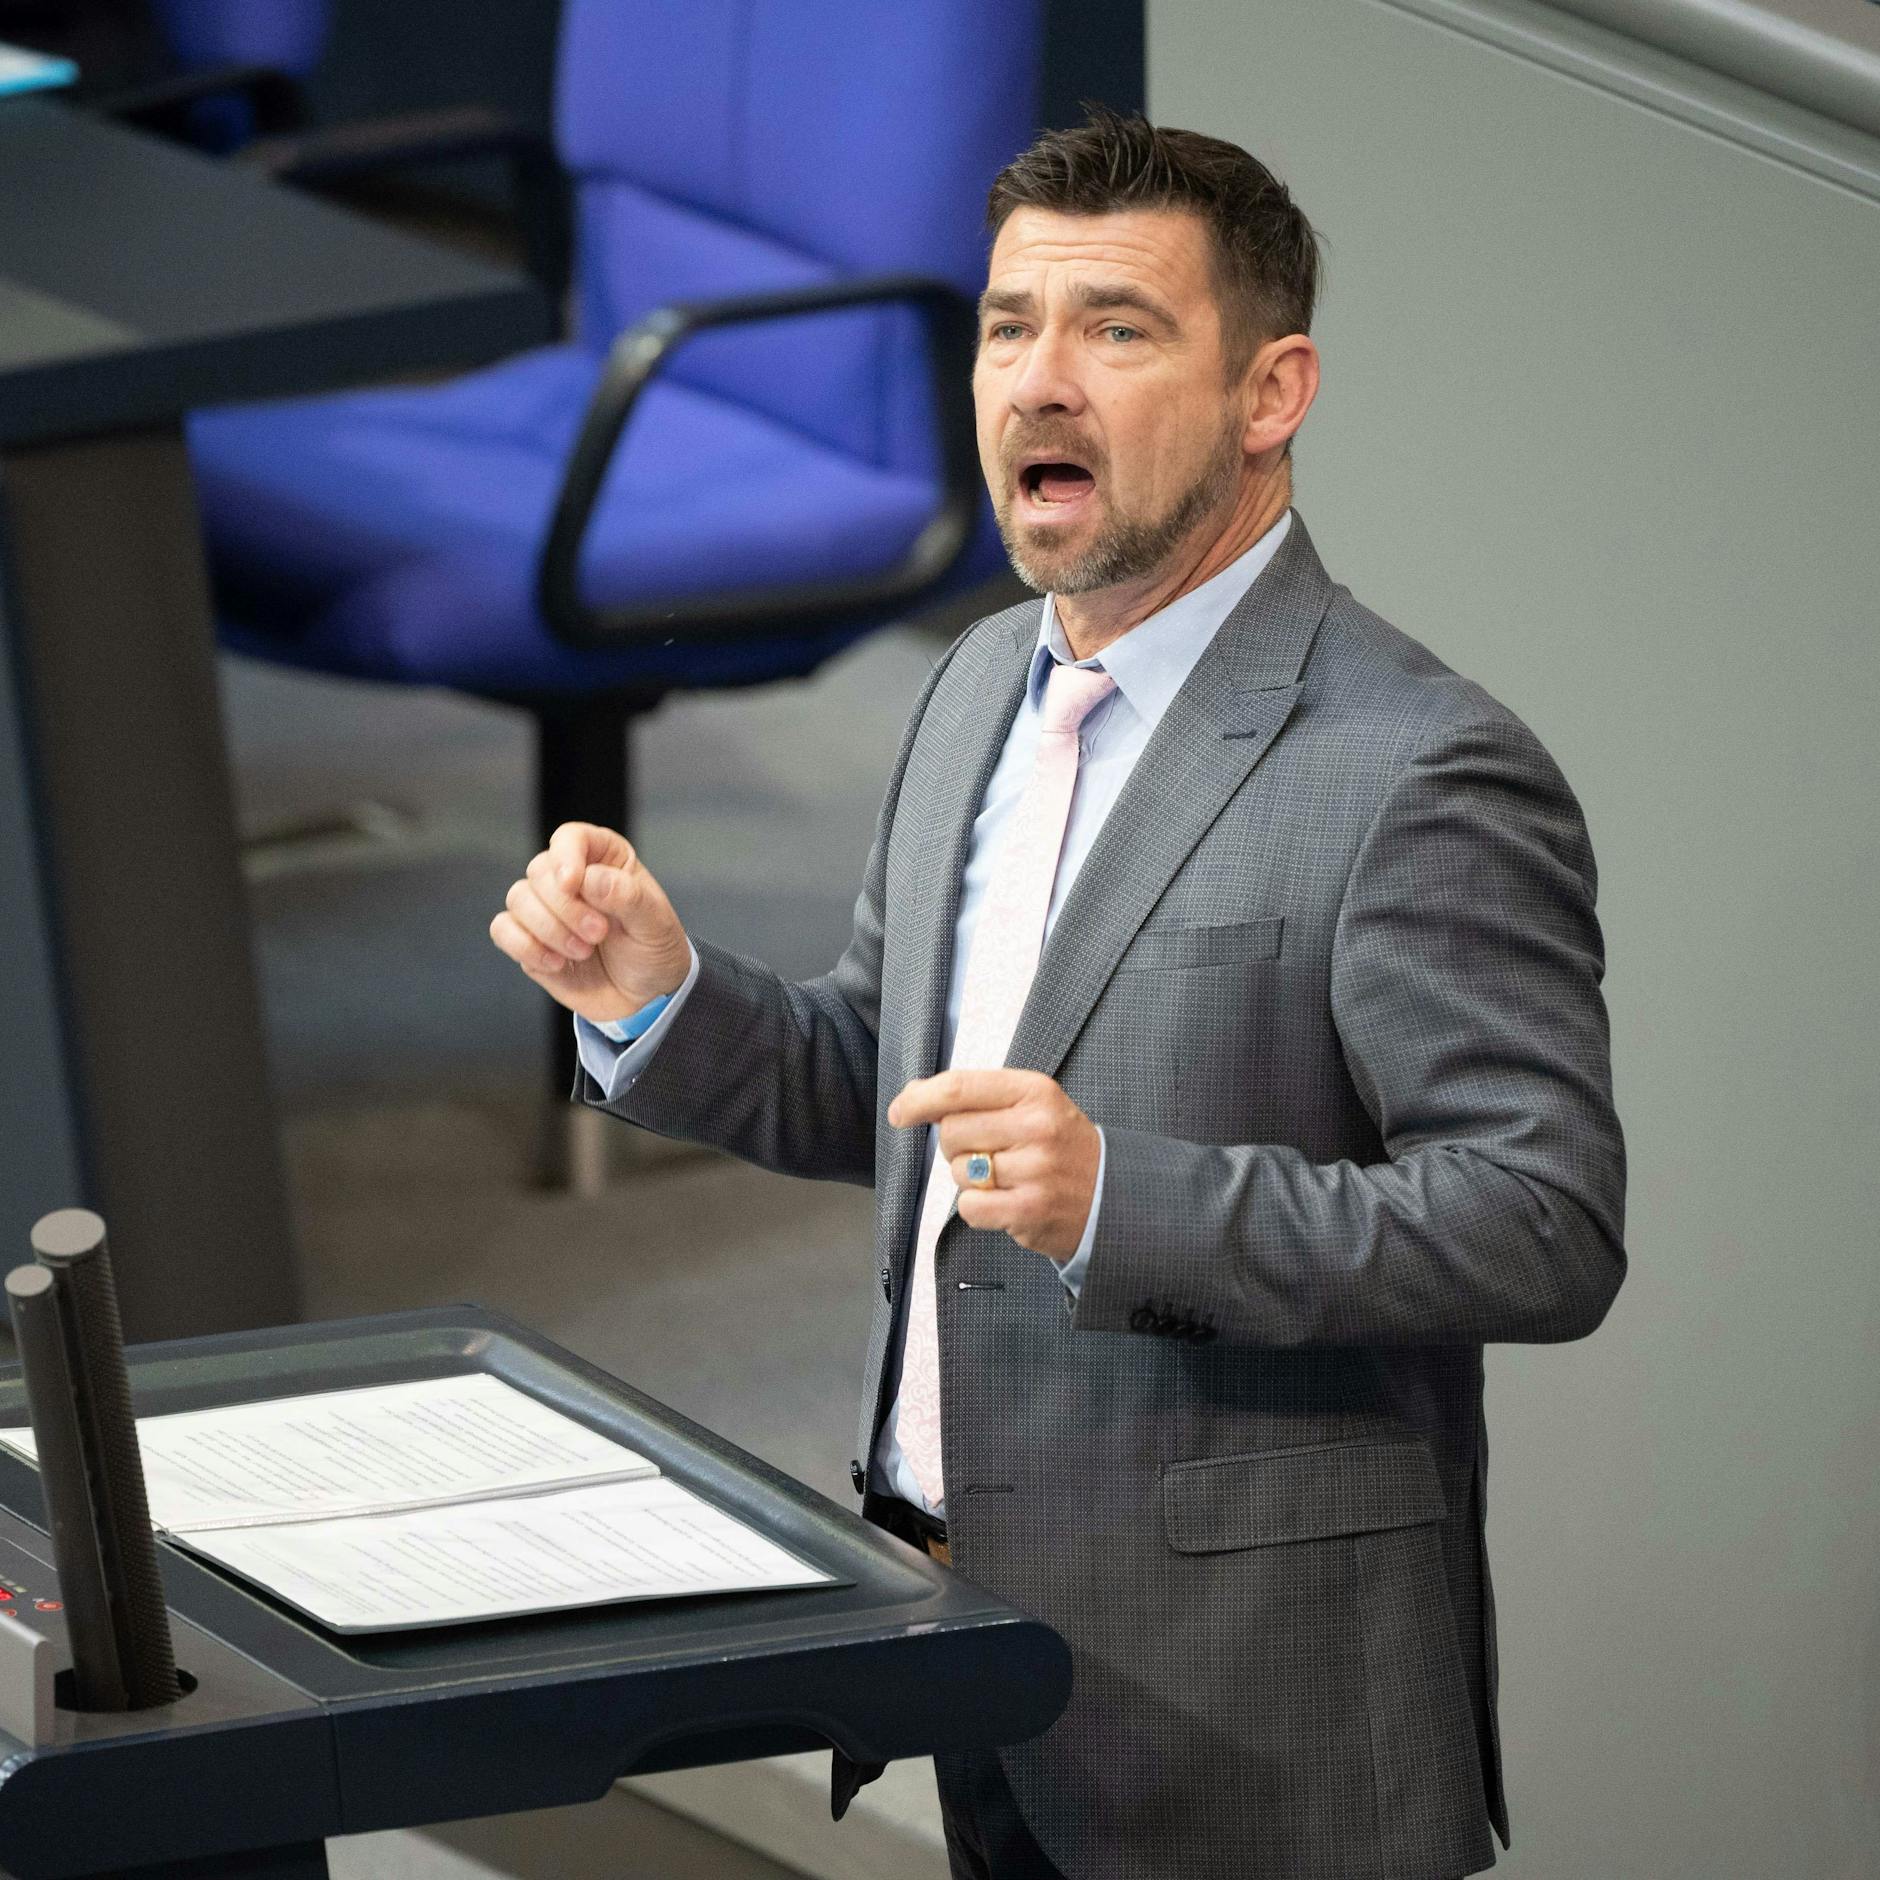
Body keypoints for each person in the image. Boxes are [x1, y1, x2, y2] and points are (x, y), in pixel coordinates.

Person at [490, 106, 1626, 1880]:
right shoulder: (975, 691)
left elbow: (1543, 1224)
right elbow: (897, 1086)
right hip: (973, 1651)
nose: (1040, 381)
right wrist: (665, 1002)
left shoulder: (1417, 770)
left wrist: (1123, 1200)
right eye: (1009, 326)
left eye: (1118, 329)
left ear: (1271, 393)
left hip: (1256, 1714)